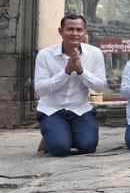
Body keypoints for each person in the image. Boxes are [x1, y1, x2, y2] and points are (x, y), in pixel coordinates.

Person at [33, 13, 106, 156]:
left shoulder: (94, 53)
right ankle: (54, 135)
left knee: (88, 146)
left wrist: (81, 71)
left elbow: (100, 87)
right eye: (70, 29)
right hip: (52, 110)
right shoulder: (45, 55)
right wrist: (66, 72)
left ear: (84, 32)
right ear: (61, 31)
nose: (75, 33)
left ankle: (60, 134)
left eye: (79, 30)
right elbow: (40, 90)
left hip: (80, 109)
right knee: (59, 149)